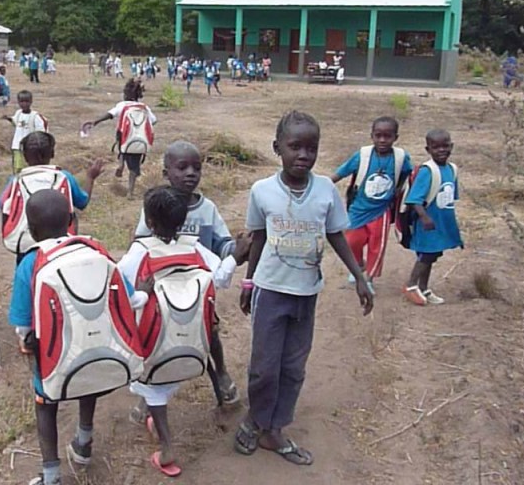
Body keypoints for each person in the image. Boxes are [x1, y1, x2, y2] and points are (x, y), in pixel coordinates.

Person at [235, 110, 374, 466]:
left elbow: (336, 235)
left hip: (306, 294)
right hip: (270, 290)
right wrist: (249, 282)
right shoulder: (262, 191)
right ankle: (256, 418)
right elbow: (258, 239)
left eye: (311, 148)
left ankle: (274, 428)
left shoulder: (326, 190)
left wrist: (359, 276)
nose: (303, 155)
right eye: (295, 147)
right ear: (277, 148)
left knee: (294, 366)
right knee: (264, 366)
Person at [8, 189, 142, 485]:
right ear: (71, 219)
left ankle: (51, 475)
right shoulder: (95, 250)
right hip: (94, 345)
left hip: (52, 354)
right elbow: (131, 299)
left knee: (45, 405)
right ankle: (83, 441)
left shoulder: (30, 263)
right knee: (86, 383)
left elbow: (23, 324)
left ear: (30, 229)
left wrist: (26, 341)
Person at [120, 186, 250, 477]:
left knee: (154, 388)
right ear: (182, 221)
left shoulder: (140, 252)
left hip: (153, 343)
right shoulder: (194, 248)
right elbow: (220, 278)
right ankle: (156, 425)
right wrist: (236, 256)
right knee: (164, 382)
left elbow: (119, 291)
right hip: (191, 343)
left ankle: (167, 446)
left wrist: (140, 296)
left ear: (149, 222)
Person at [132, 140, 241, 403]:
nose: (191, 173)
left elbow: (222, 243)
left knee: (209, 330)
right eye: (182, 167)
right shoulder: (155, 205)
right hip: (162, 291)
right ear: (166, 173)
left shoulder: (207, 209)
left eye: (196, 167)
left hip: (198, 289)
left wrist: (238, 249)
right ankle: (150, 391)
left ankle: (221, 373)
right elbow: (140, 242)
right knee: (158, 334)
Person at [0, 131, 105, 264]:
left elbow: (3, 207)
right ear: (52, 153)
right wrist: (90, 178)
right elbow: (82, 202)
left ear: (25, 156)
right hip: (60, 247)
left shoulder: (15, 180)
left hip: (25, 245)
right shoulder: (64, 177)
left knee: (27, 273)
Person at [330, 116, 412, 283]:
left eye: (387, 136)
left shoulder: (400, 157)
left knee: (377, 246)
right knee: (351, 241)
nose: (382, 140)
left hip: (382, 210)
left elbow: (407, 172)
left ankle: (369, 279)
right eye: (378, 135)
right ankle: (359, 264)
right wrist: (322, 186)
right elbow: (341, 173)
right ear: (372, 135)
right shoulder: (363, 156)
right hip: (359, 208)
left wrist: (398, 187)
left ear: (395, 137)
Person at [403, 129, 463, 306]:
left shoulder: (452, 169)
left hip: (442, 222)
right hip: (428, 224)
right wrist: (424, 217)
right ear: (428, 149)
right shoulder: (427, 171)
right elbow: (414, 199)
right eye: (436, 147)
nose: (441, 150)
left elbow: (450, 198)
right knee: (427, 254)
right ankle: (411, 285)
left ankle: (424, 288)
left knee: (432, 255)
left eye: (445, 146)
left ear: (451, 146)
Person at [83, 79, 156, 198]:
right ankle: (130, 192)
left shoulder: (122, 105)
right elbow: (154, 120)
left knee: (121, 139)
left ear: (126, 94)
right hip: (139, 141)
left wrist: (95, 122)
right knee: (134, 168)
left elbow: (110, 114)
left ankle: (121, 163)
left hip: (124, 139)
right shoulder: (144, 107)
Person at [4, 90, 48, 173]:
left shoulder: (35, 116)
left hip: (30, 147)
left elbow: (41, 130)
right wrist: (9, 119)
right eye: (22, 102)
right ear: (18, 102)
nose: (24, 104)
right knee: (18, 167)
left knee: (30, 167)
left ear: (31, 102)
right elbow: (16, 122)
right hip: (17, 146)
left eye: (27, 102)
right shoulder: (18, 113)